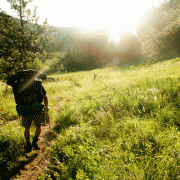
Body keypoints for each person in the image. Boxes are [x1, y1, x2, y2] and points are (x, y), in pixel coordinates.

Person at [6, 69, 49, 152]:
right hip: (36, 106)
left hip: (24, 108)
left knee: (27, 128)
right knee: (38, 126)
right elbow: (45, 96)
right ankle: (35, 142)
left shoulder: (18, 85)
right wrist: (47, 106)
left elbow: (8, 81)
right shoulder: (38, 84)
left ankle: (28, 144)